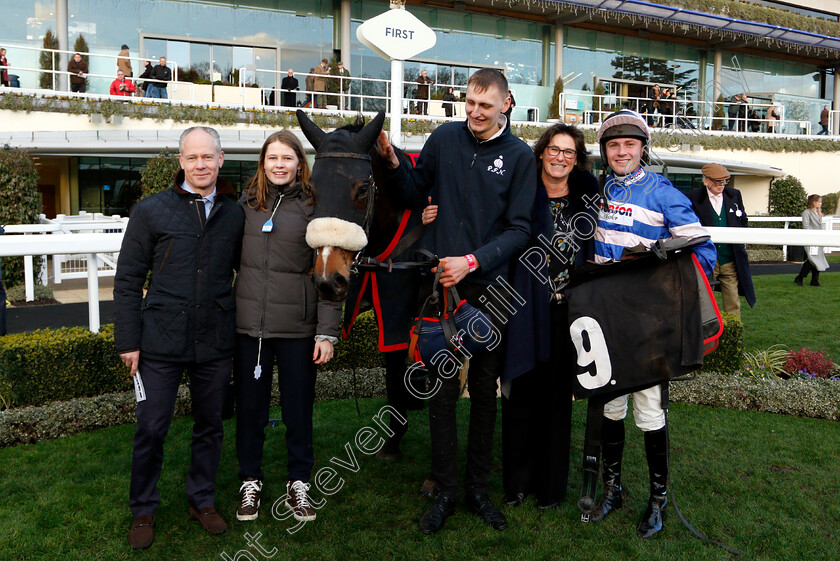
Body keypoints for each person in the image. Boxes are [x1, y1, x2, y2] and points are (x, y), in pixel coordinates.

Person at [377, 68, 536, 534]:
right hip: (441, 293)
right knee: (443, 393)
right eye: (469, 102)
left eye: (485, 105)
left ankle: (477, 491)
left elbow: (521, 229)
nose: (475, 113)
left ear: (506, 104)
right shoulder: (444, 138)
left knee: (484, 393)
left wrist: (472, 260)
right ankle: (445, 490)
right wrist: (391, 160)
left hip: (491, 291)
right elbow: (411, 191)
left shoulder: (520, 155)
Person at [114, 126, 245, 550]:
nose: (201, 165)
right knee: (151, 427)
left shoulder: (235, 213)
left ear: (221, 159)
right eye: (192, 158)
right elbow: (128, 281)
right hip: (160, 341)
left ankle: (201, 499)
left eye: (208, 157)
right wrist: (128, 341)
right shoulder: (150, 211)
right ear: (181, 162)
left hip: (215, 339)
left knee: (211, 426)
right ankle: (143, 509)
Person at [589, 109, 716, 538]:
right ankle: (613, 489)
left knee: (648, 411)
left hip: (648, 324)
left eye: (629, 144)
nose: (621, 152)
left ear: (643, 148)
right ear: (605, 151)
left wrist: (659, 261)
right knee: (610, 405)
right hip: (608, 320)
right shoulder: (601, 189)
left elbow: (704, 253)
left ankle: (658, 501)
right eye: (613, 145)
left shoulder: (662, 192)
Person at [233, 131, 341, 523]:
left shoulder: (315, 208)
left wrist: (326, 332)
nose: (279, 165)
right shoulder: (244, 206)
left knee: (298, 412)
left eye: (287, 158)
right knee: (250, 411)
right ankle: (250, 481)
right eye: (272, 158)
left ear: (300, 163)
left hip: (298, 329)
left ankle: (299, 483)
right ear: (263, 163)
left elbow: (329, 275)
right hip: (250, 330)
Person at [498, 123, 598, 509]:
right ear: (541, 152)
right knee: (522, 390)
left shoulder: (586, 199)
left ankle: (550, 487)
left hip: (567, 311)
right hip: (522, 307)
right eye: (554, 150)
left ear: (577, 160)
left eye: (569, 152)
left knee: (557, 398)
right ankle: (517, 483)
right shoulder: (521, 192)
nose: (560, 157)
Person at [687, 163, 756, 317]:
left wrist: (745, 237)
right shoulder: (693, 197)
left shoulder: (734, 195)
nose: (721, 185)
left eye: (724, 181)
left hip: (729, 259)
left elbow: (742, 220)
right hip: (705, 259)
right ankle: (705, 335)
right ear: (706, 181)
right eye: (717, 182)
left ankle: (733, 336)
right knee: (703, 301)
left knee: (733, 302)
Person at [794, 194, 829, 287]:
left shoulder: (818, 212)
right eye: (819, 202)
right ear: (814, 202)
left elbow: (820, 226)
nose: (820, 204)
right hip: (810, 239)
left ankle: (814, 280)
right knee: (812, 259)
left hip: (818, 239)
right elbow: (805, 226)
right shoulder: (806, 212)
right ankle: (800, 277)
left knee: (817, 259)